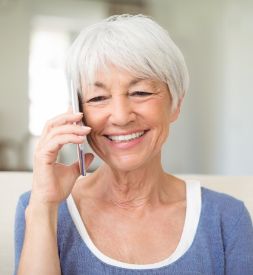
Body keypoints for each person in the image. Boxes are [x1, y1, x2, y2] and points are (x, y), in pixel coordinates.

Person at [14, 14, 253, 275]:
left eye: (140, 92)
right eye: (98, 97)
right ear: (78, 111)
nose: (120, 116)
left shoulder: (227, 218)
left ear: (176, 104)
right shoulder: (38, 206)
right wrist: (43, 207)